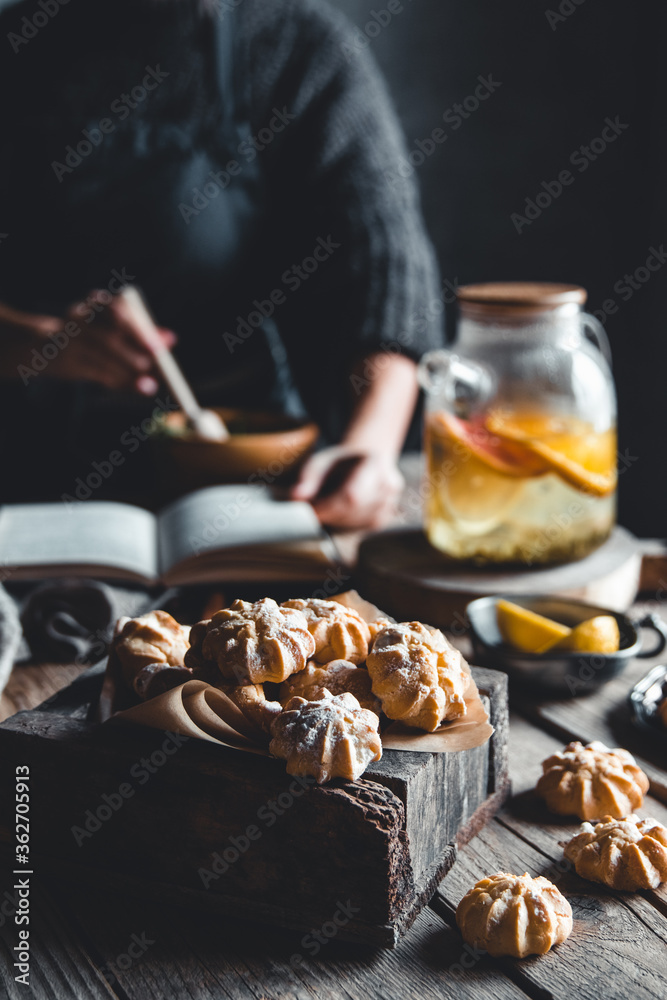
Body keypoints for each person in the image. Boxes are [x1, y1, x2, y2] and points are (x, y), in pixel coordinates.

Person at [0, 0, 442, 527]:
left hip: (249, 488)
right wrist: (40, 343)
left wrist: (370, 446)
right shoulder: (20, 45)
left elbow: (384, 273)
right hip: (28, 488)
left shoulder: (296, 45)